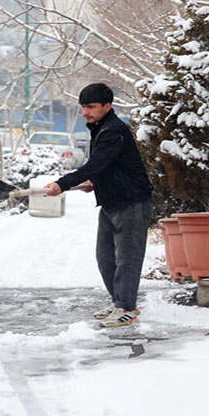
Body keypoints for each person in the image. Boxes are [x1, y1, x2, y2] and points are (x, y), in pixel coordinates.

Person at [44, 83, 153, 328]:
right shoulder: (101, 128)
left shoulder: (114, 130)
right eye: (83, 107)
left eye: (91, 107)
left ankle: (127, 307)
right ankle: (119, 303)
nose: (85, 112)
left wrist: (62, 183)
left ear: (107, 106)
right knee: (105, 258)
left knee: (127, 258)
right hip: (111, 203)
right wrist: (95, 180)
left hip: (131, 203)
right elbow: (106, 166)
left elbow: (97, 163)